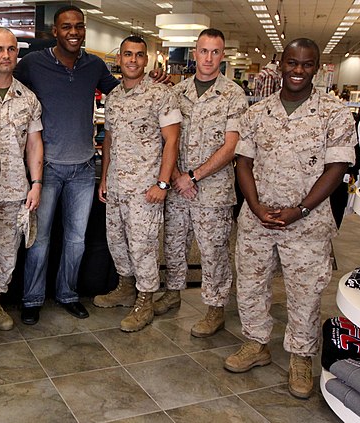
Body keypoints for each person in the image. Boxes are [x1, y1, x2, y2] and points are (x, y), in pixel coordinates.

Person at [224, 38, 356, 399]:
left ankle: (301, 356)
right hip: (258, 219)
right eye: (292, 63)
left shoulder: (335, 112)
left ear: (318, 67)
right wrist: (253, 205)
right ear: (281, 64)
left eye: (307, 64)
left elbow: (338, 167)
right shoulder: (256, 113)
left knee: (305, 293)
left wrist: (301, 209)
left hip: (308, 223)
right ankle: (256, 343)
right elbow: (243, 163)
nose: (298, 71)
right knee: (250, 285)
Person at [13, 5, 119, 325]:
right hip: (45, 169)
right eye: (66, 27)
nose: (73, 32)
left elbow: (123, 92)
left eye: (79, 26)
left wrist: (151, 79)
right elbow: (4, 85)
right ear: (55, 32)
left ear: (84, 29)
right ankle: (32, 299)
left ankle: (67, 293)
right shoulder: (34, 63)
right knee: (40, 239)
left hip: (84, 168)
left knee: (76, 240)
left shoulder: (94, 65)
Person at [145, 29, 247, 339]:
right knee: (174, 243)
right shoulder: (178, 92)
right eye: (203, 51)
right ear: (194, 53)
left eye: (215, 52)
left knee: (213, 251)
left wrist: (194, 176)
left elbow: (231, 148)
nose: (208, 57)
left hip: (213, 191)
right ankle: (173, 292)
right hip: (177, 186)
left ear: (223, 55)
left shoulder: (233, 94)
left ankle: (215, 308)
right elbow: (168, 139)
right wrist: (177, 176)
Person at [98, 36, 181, 332]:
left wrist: (162, 183)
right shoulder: (114, 96)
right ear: (119, 59)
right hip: (118, 185)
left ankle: (146, 299)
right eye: (127, 55)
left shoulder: (160, 95)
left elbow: (172, 140)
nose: (133, 60)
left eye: (139, 55)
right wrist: (105, 177)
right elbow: (108, 139)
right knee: (117, 241)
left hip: (145, 189)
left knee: (143, 246)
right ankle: (126, 288)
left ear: (147, 61)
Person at [0, 27, 44, 331]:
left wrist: (36, 183)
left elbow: (34, 143)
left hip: (14, 189)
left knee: (6, 253)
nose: (5, 55)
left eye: (11, 49)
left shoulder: (28, 99)